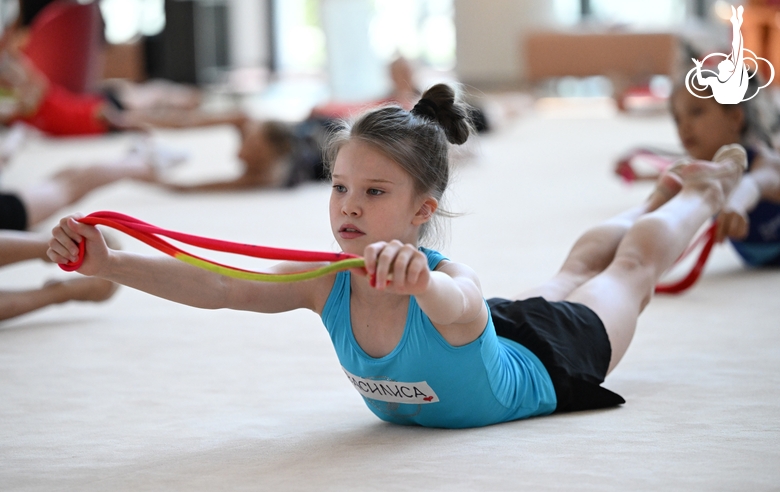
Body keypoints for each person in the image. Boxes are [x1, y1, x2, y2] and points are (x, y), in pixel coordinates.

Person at [47, 83, 746, 428]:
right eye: (341, 186)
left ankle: (701, 195)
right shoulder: (328, 284)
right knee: (575, 265)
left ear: (423, 211)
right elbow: (226, 285)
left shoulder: (449, 282)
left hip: (549, 359)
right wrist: (113, 264)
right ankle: (656, 195)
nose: (348, 205)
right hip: (494, 337)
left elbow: (461, 307)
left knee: (628, 271)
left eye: (374, 191)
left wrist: (423, 288)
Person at [665, 74, 780, 266]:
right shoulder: (700, 177)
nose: (684, 126)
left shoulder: (765, 162)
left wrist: (735, 204)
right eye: (677, 119)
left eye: (696, 112)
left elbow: (755, 183)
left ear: (735, 117)